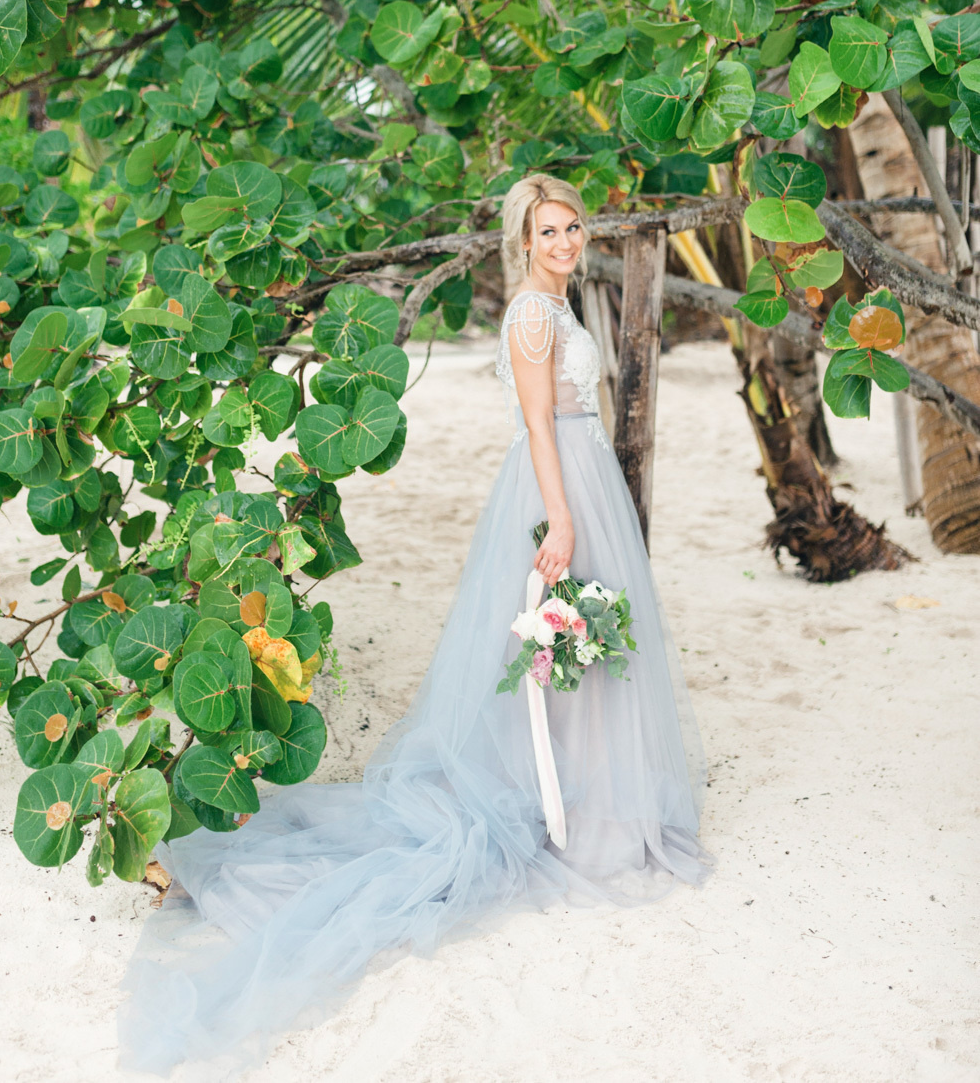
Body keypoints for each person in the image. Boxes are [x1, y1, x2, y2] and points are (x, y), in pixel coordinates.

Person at [120, 173, 713, 1077]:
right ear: (523, 240)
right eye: (548, 232)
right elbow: (538, 426)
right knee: (556, 637)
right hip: (560, 486)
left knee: (585, 646)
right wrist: (561, 517)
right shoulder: (529, 315)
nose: (565, 242)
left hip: (586, 477)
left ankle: (584, 791)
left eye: (573, 228)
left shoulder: (560, 303)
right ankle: (552, 799)